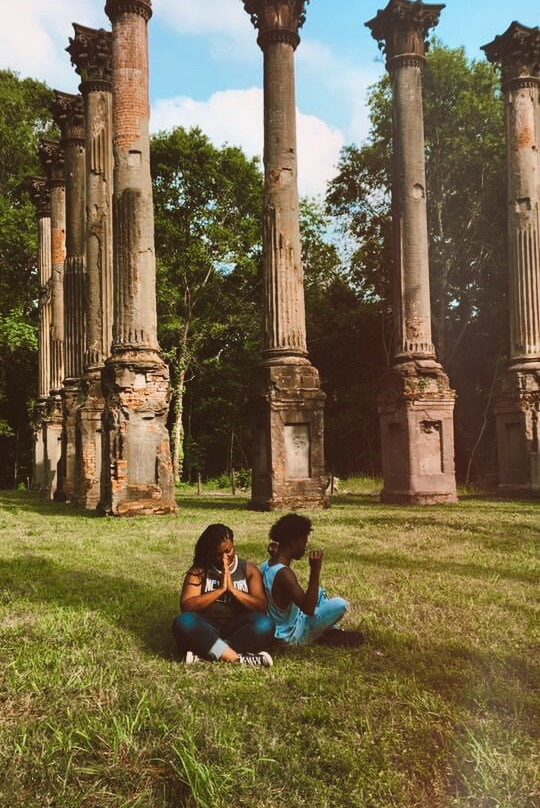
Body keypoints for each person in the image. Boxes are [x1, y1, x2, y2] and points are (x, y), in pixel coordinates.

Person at [172, 523, 274, 666]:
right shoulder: (200, 570)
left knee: (265, 624)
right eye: (218, 554)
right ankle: (237, 658)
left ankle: (209, 654)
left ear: (233, 545)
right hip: (207, 627)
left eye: (228, 551)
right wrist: (219, 590)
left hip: (238, 628)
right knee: (184, 621)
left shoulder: (249, 569)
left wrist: (233, 590)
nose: (224, 558)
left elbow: (261, 607)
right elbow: (187, 607)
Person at [260, 513, 363, 647]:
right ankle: (326, 634)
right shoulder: (284, 574)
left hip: (280, 627)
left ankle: (331, 631)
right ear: (292, 543)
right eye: (304, 543)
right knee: (340, 604)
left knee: (318, 592)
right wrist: (315, 570)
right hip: (291, 634)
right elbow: (308, 609)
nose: (305, 548)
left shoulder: (267, 564)